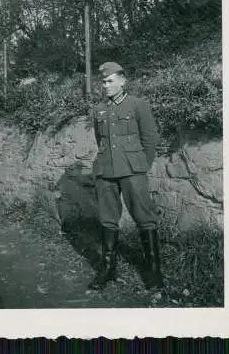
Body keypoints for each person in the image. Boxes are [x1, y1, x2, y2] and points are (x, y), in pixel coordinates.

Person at [88, 61, 163, 291]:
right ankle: (108, 269)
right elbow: (100, 140)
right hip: (105, 171)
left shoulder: (138, 105)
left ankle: (153, 272)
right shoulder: (99, 109)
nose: (105, 85)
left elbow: (150, 139)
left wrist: (141, 165)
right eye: (103, 81)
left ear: (122, 80)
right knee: (107, 218)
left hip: (133, 170)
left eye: (110, 81)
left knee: (144, 216)